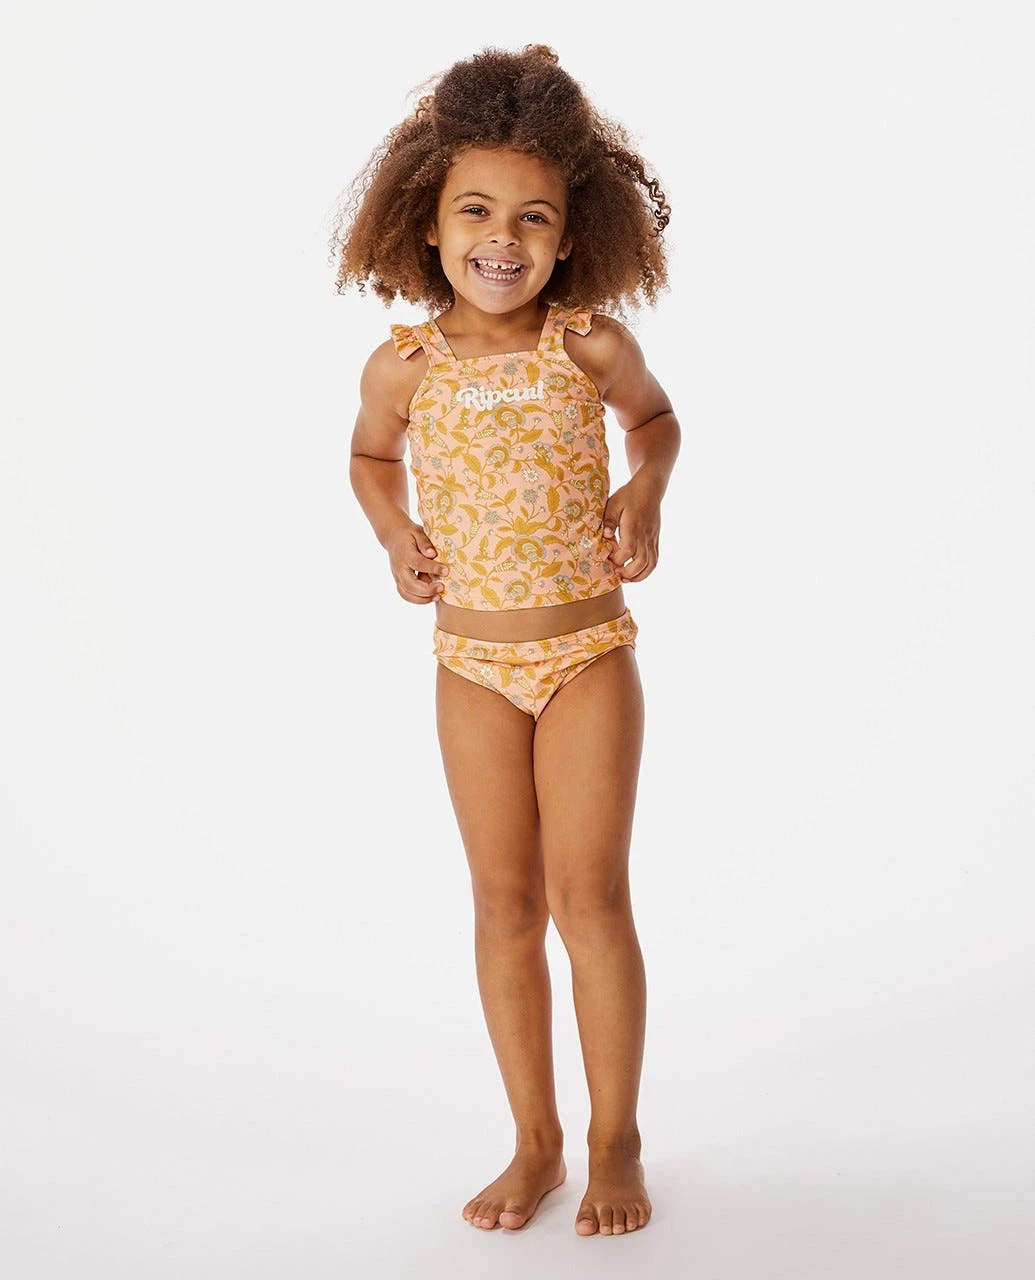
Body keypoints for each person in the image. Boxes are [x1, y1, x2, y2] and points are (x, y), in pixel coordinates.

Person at [330, 43, 681, 1237]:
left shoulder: (588, 345)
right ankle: (535, 1138)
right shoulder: (404, 364)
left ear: (572, 234)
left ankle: (615, 1135)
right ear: (426, 224)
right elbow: (368, 456)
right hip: (471, 664)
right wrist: (393, 531)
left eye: (534, 216)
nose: (502, 237)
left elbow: (657, 422)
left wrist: (645, 490)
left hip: (586, 655)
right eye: (475, 210)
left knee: (591, 899)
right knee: (502, 902)